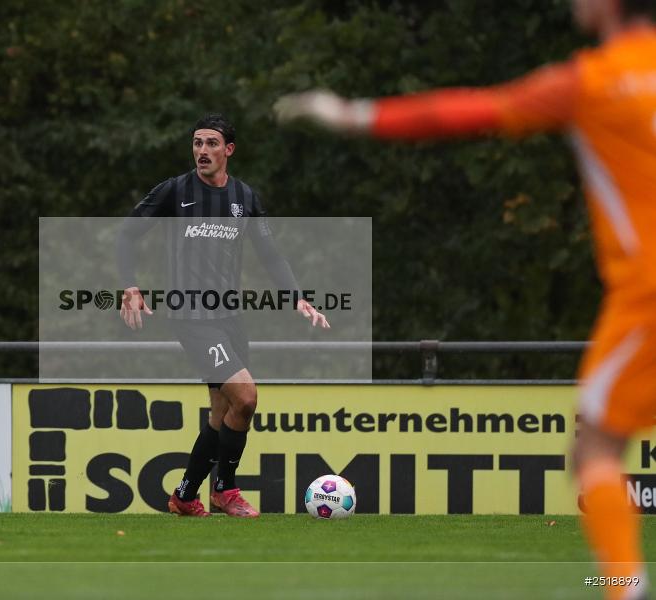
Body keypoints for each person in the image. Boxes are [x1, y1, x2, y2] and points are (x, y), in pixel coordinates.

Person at [276, 0, 655, 596]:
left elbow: (463, 110)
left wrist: (352, 114)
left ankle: (624, 589)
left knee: (596, 449)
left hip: (648, 295)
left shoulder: (593, 81)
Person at [117, 114, 329, 518]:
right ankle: (226, 489)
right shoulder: (175, 190)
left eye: (211, 143)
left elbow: (271, 255)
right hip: (191, 317)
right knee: (246, 396)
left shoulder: (245, 198)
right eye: (197, 143)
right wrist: (131, 286)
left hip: (229, 317)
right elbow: (127, 233)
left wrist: (297, 297)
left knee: (225, 412)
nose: (202, 151)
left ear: (228, 150)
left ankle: (184, 494)